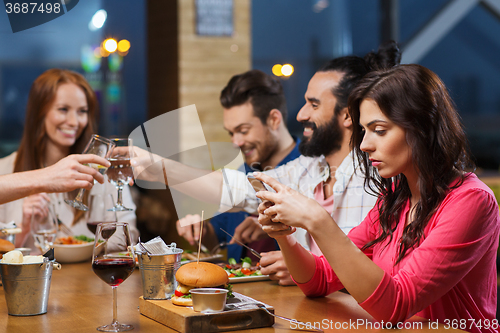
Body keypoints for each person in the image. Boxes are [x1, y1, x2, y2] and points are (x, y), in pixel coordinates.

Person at [131, 41, 400, 285]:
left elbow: (379, 271)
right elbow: (235, 188)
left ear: (347, 115)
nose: (301, 113)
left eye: (314, 105)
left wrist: (309, 269)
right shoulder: (308, 169)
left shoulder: (380, 178)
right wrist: (161, 168)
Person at [254, 64, 499, 330]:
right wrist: (284, 235)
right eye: (364, 130)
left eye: (379, 130)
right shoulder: (394, 199)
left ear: (421, 128)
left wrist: (318, 221)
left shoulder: (472, 201)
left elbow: (396, 305)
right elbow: (319, 281)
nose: (364, 145)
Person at [0, 69, 138, 249]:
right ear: (39, 113)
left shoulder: (102, 163)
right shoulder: (6, 170)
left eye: (82, 111)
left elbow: (129, 236)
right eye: (63, 109)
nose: (74, 121)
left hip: (88, 276)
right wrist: (24, 227)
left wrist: (96, 248)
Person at [176, 69, 301, 261]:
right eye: (231, 133)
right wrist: (199, 229)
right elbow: (217, 238)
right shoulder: (242, 174)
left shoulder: (313, 168)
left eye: (243, 130)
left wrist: (273, 227)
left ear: (274, 120)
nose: (236, 142)